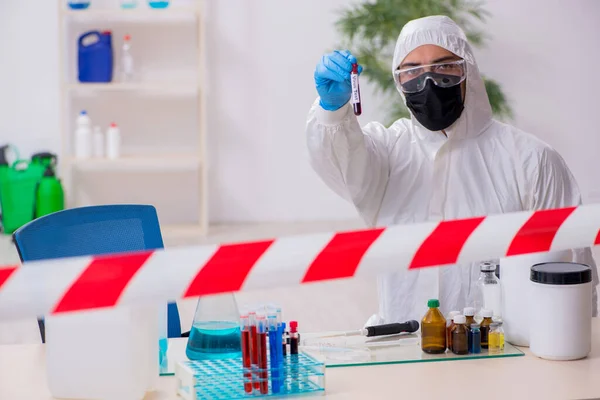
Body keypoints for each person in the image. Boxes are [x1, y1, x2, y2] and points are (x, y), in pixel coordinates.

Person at [306, 15, 598, 324]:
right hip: (405, 345)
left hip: (501, 350)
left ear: (467, 70)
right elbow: (341, 162)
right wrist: (333, 113)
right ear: (399, 80)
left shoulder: (530, 159)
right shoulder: (388, 152)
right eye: (413, 70)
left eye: (444, 67)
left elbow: (572, 266)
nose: (429, 81)